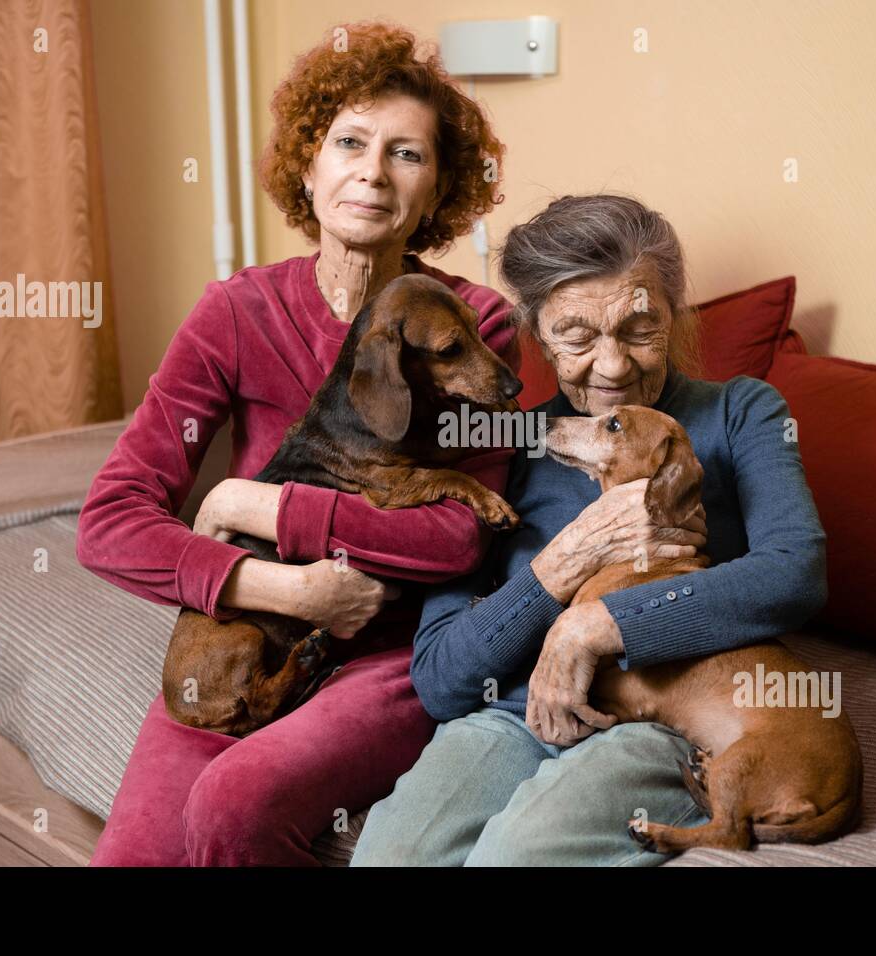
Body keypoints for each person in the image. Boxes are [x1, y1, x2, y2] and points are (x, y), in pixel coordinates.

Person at [76, 21, 515, 866]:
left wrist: (262, 504)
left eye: (406, 154)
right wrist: (278, 585)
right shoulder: (236, 312)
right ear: (308, 166)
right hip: (251, 628)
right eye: (348, 141)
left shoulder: (478, 328)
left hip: (388, 655)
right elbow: (108, 522)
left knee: (236, 808)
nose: (372, 171)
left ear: (438, 193)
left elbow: (462, 536)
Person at [351, 194, 829, 866]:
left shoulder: (741, 411)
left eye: (640, 330)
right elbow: (440, 676)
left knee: (513, 859)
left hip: (662, 717)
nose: (613, 367)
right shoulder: (497, 442)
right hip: (508, 712)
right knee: (389, 860)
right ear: (537, 335)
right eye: (577, 336)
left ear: (673, 317)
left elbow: (794, 573)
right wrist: (565, 563)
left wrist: (598, 625)